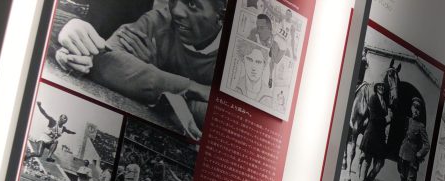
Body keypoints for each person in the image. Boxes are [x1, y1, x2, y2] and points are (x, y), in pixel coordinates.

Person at [68, 0, 228, 140]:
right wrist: (190, 88)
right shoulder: (159, 20)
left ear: (221, 14)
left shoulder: (231, 61)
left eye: (192, 4)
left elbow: (221, 119)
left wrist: (148, 77)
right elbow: (103, 61)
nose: (176, 11)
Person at [393, 97, 430, 181]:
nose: (416, 111)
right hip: (403, 154)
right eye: (414, 108)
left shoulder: (421, 126)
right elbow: (404, 135)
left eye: (418, 109)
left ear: (420, 112)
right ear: (411, 108)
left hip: (413, 158)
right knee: (402, 178)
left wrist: (419, 154)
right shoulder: (408, 121)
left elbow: (427, 145)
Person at [359, 83, 391, 181]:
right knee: (367, 161)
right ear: (376, 88)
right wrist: (386, 119)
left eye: (383, 86)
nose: (381, 88)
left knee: (380, 164)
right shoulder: (373, 98)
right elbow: (373, 117)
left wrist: (389, 117)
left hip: (380, 137)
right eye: (379, 86)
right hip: (372, 134)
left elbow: (385, 119)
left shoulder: (385, 102)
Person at [231, 41, 273, 106]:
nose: (253, 67)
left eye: (258, 62)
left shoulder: (269, 96)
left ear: (264, 65)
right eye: (249, 60)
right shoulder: (235, 87)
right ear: (243, 60)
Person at [247, 13, 283, 86]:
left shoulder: (276, 43)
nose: (259, 31)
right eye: (257, 27)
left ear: (270, 29)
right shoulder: (254, 32)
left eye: (262, 28)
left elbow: (275, 61)